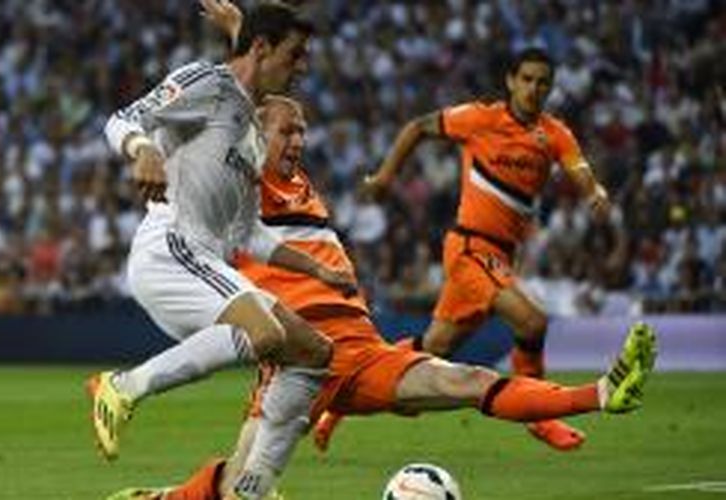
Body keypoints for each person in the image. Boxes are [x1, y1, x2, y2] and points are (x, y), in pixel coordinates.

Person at [104, 96, 657, 500]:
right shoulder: (237, 185)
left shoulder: (299, 182)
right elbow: (237, 96)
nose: (298, 141)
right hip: (302, 361)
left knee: (466, 381)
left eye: (302, 131)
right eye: (286, 132)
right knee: (242, 493)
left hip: (364, 352)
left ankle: (603, 393)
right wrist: (240, 36)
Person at [89, 3, 356, 497]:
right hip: (171, 247)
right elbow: (122, 119)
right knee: (266, 333)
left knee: (313, 352)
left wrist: (318, 270)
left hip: (206, 259)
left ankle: (252, 486)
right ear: (261, 48)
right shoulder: (209, 84)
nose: (302, 67)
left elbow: (247, 232)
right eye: (295, 55)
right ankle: (122, 387)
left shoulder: (254, 135)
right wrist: (143, 150)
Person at [314, 47, 616, 452]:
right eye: (526, 79)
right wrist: (385, 177)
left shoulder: (554, 133)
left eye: (542, 82)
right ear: (510, 80)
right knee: (531, 323)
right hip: (470, 247)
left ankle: (340, 404)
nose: (533, 88)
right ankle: (542, 416)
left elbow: (579, 168)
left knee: (434, 348)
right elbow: (418, 127)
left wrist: (593, 191)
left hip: (500, 256)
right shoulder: (481, 119)